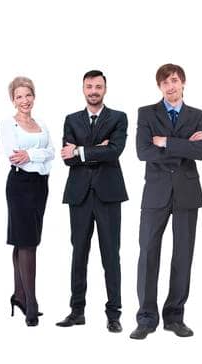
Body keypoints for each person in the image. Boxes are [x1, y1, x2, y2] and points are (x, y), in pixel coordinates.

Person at [131, 64, 202, 340]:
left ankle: (175, 317)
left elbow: (201, 152)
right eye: (165, 82)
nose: (170, 86)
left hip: (187, 193)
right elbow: (143, 152)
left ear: (183, 83)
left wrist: (166, 141)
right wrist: (183, 145)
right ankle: (146, 318)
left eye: (174, 80)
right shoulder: (146, 113)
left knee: (183, 255)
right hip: (155, 193)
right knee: (148, 253)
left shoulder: (197, 115)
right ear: (159, 87)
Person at [58, 70, 128, 332]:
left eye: (98, 86)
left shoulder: (118, 117)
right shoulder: (72, 119)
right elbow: (67, 158)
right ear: (83, 89)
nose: (94, 91)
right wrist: (97, 149)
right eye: (89, 86)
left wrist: (81, 150)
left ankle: (114, 314)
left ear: (105, 89)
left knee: (111, 254)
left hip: (109, 194)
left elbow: (115, 151)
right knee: (79, 254)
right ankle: (77, 311)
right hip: (79, 195)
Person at [2, 77, 55, 327]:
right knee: (28, 243)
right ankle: (31, 303)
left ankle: (19, 295)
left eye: (28, 95)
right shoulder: (8, 125)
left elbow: (52, 153)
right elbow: (15, 157)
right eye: (19, 96)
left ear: (34, 96)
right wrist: (37, 157)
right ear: (13, 99)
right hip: (20, 185)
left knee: (24, 240)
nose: (24, 101)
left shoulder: (41, 123)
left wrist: (32, 155)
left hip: (41, 186)